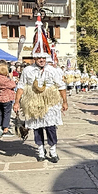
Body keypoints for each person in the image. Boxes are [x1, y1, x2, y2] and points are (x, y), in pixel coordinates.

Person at [13, 15, 68, 162]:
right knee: (37, 127)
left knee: (50, 127)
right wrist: (17, 102)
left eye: (43, 57)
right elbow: (21, 86)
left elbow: (61, 86)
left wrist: (64, 102)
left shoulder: (53, 71)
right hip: (33, 102)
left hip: (50, 102)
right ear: (34, 58)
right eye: (39, 58)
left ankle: (53, 150)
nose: (41, 60)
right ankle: (40, 151)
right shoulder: (27, 70)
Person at [0, 63, 17, 137]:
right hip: (7, 98)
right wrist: (11, 78)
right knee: (7, 113)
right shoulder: (6, 80)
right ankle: (5, 128)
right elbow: (13, 85)